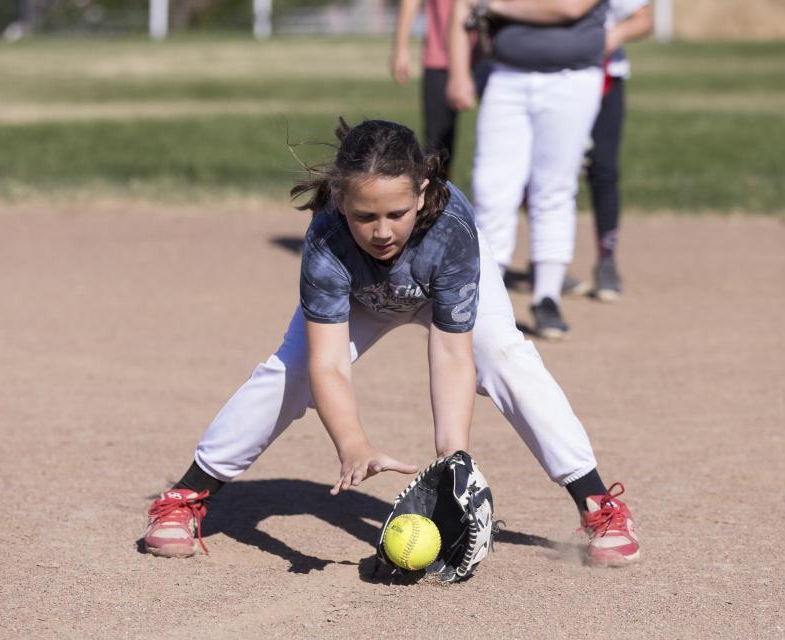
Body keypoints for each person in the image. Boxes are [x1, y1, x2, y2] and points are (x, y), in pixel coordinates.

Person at [142, 118, 640, 568]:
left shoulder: (451, 232)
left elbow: (450, 353)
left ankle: (599, 504)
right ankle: (184, 497)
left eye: (397, 212)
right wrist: (353, 444)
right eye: (365, 217)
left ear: (422, 193)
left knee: (504, 355)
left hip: (440, 283)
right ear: (339, 200)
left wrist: (453, 464)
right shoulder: (326, 243)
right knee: (289, 371)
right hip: (362, 296)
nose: (382, 232)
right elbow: (328, 364)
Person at [447, 0, 608, 340]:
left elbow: (570, 8)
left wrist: (496, 6)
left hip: (572, 78)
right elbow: (463, 8)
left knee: (553, 188)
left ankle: (546, 297)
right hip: (506, 76)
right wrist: (459, 73)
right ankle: (485, 296)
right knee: (491, 187)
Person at [567, 0, 653, 302]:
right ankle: (549, 263)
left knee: (603, 169)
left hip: (605, 78)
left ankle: (606, 260)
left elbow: (643, 19)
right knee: (549, 175)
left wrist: (613, 36)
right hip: (554, 76)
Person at [391, 0, 491, 173]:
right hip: (440, 53)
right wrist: (401, 47)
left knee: (506, 137)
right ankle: (437, 196)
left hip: (491, 54)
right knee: (437, 146)